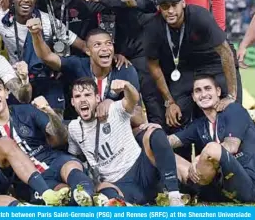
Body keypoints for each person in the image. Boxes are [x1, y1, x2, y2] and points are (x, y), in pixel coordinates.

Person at [0, 74, 107, 206]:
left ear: (6, 92)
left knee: (71, 167)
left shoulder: (27, 111)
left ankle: (86, 194)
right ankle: (88, 201)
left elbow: (61, 137)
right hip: (27, 182)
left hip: (52, 160)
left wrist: (49, 111)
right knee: (63, 193)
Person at [77, 0, 160, 125]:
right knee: (104, 99)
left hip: (135, 44)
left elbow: (150, 3)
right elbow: (88, 9)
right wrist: (121, 2)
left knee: (149, 97)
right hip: (107, 48)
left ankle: (159, 144)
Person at [67, 77, 185, 206]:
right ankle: (126, 207)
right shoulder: (73, 128)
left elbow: (132, 99)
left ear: (97, 98)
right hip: (118, 184)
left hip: (142, 170)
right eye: (78, 96)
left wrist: (127, 86)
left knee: (155, 133)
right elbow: (75, 156)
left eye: (87, 95)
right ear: (72, 102)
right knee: (102, 188)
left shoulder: (113, 109)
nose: (83, 99)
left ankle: (174, 195)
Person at [145, 0, 240, 131]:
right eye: (164, 6)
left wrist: (232, 95)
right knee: (175, 116)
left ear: (183, 2)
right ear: (158, 8)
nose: (170, 10)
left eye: (174, 4)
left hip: (213, 63)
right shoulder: (153, 27)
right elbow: (153, 65)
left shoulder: (200, 16)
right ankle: (183, 153)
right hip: (186, 68)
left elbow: (226, 52)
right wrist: (169, 102)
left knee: (231, 111)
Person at [166, 75, 255, 203]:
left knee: (212, 148)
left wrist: (199, 158)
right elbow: (167, 142)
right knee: (161, 148)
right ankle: (179, 194)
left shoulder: (234, 110)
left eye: (208, 88)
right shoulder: (199, 124)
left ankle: (195, 191)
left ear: (218, 92)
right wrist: (152, 132)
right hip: (218, 190)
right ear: (193, 97)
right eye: (198, 91)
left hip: (247, 186)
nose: (203, 94)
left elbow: (231, 146)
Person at [30, 25, 141, 123]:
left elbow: (139, 116)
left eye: (109, 44)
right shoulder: (77, 65)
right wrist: (36, 35)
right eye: (97, 45)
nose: (105, 48)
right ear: (88, 51)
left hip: (116, 130)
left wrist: (113, 107)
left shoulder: (125, 70)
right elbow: (47, 56)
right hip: (82, 131)